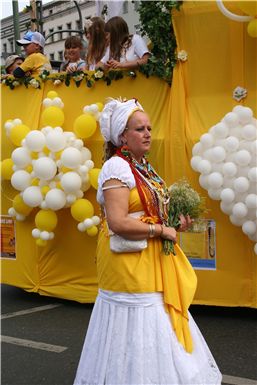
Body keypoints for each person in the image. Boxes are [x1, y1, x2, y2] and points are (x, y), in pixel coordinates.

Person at [73, 98, 222, 384]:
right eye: (139, 128)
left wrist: (173, 223)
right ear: (122, 136)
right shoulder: (116, 167)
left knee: (156, 326)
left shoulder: (143, 167)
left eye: (149, 128)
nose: (147, 133)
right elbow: (117, 222)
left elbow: (149, 213)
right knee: (138, 323)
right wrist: (160, 232)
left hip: (151, 260)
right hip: (128, 265)